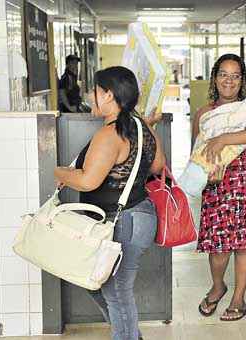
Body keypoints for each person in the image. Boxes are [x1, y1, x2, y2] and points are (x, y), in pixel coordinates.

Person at [54, 66, 166, 340]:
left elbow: (89, 181)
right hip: (138, 217)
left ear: (108, 95)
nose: (91, 97)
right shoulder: (142, 128)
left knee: (116, 291)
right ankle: (129, 333)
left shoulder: (111, 134)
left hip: (122, 222)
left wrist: (60, 173)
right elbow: (158, 165)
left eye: (95, 91)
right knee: (99, 283)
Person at [193, 54, 246, 321]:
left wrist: (224, 138)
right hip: (218, 181)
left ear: (242, 81)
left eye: (235, 76)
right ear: (215, 78)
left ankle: (238, 299)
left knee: (243, 243)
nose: (229, 81)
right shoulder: (204, 113)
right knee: (218, 245)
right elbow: (197, 150)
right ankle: (218, 286)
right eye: (223, 75)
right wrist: (207, 171)